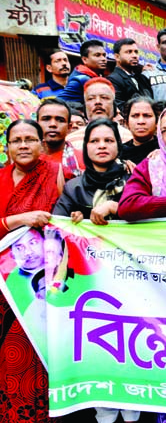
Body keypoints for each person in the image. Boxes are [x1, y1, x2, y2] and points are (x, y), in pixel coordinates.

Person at [0, 119, 63, 422]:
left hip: (38, 289)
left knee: (36, 355)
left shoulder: (56, 174)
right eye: (16, 140)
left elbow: (71, 222)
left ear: (41, 144)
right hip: (3, 288)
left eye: (29, 139)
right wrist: (19, 219)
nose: (23, 145)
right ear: (8, 147)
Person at [53, 118, 131, 226]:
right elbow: (57, 225)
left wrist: (115, 207)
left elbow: (150, 214)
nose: (102, 146)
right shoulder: (74, 188)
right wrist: (77, 219)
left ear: (118, 145)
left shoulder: (134, 180)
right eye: (94, 141)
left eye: (109, 140)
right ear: (86, 147)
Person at [36, 98, 84, 179]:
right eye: (46, 119)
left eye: (60, 120)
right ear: (37, 125)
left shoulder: (83, 160)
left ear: (69, 127)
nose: (53, 124)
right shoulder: (27, 160)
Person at [107, 38, 152, 113]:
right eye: (129, 52)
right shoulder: (113, 80)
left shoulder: (142, 78)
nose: (134, 56)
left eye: (136, 52)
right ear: (117, 57)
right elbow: (119, 107)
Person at [59, 39, 107, 103]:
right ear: (85, 59)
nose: (103, 59)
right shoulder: (82, 79)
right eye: (97, 55)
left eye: (104, 55)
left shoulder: (92, 77)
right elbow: (57, 103)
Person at [121, 95, 160, 165]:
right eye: (135, 116)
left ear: (157, 122)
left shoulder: (165, 149)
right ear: (126, 123)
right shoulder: (119, 153)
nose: (141, 121)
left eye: (147, 115)